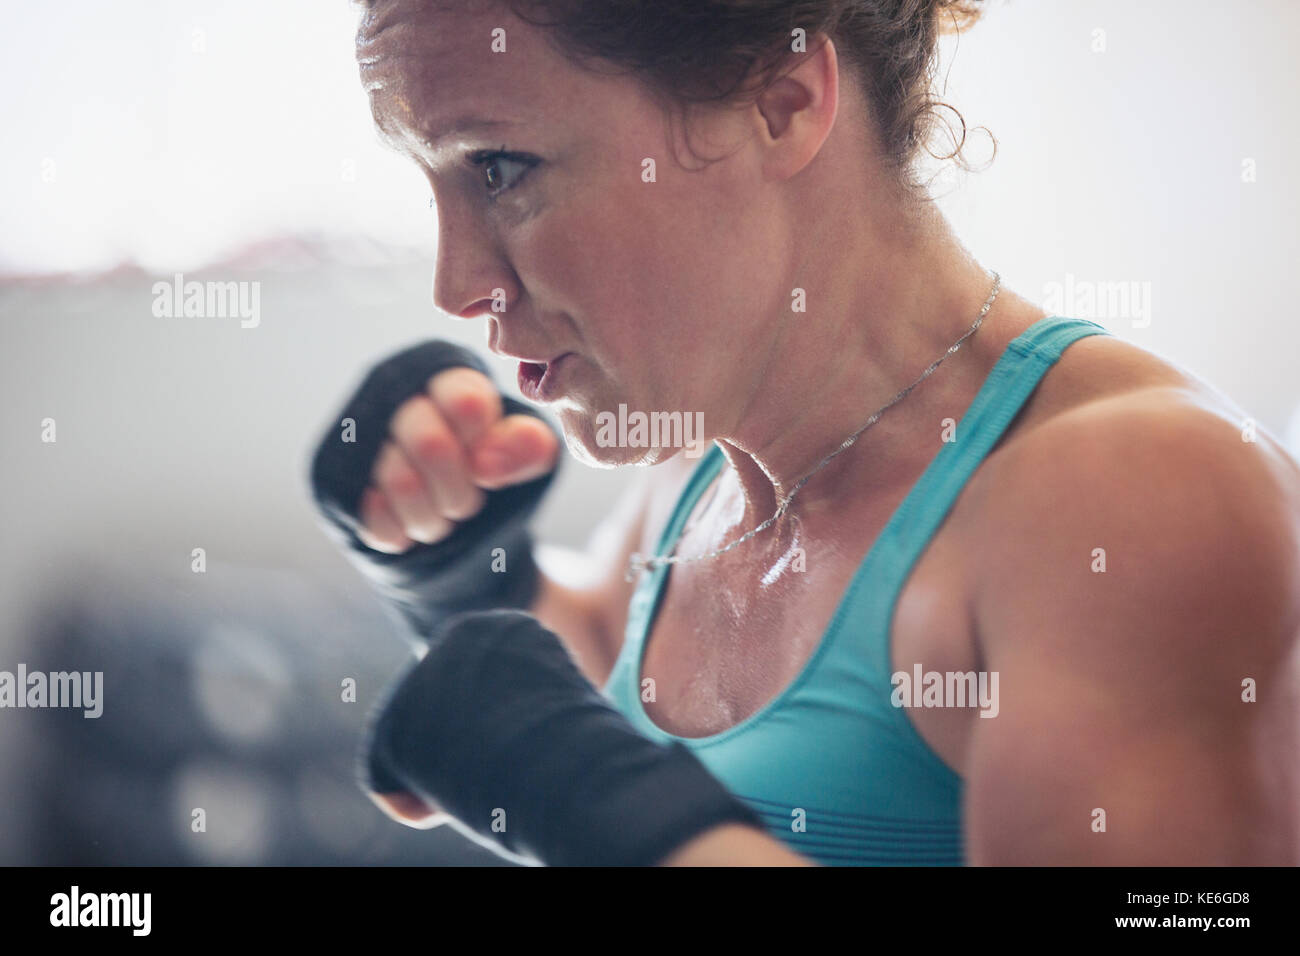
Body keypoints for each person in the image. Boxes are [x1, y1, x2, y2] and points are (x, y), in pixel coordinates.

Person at [314, 0, 1300, 865]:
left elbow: (608, 778)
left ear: (780, 103)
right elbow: (597, 684)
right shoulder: (700, 474)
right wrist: (457, 575)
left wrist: (602, 809)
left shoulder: (1134, 493)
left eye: (499, 168)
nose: (455, 286)